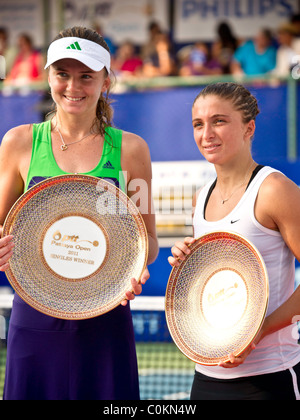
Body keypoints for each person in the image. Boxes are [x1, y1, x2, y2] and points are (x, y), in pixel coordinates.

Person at [0, 26, 158, 400]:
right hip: (34, 318)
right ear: (49, 77)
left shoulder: (132, 151)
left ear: (106, 81)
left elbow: (148, 240)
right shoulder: (20, 142)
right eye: (63, 74)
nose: (73, 86)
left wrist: (137, 264)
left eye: (86, 75)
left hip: (107, 318)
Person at [168, 82, 300, 400]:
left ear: (248, 127)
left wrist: (260, 330)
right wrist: (186, 262)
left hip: (269, 376)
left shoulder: (274, 190)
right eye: (198, 124)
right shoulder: (201, 199)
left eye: (219, 121)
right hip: (206, 376)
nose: (207, 134)